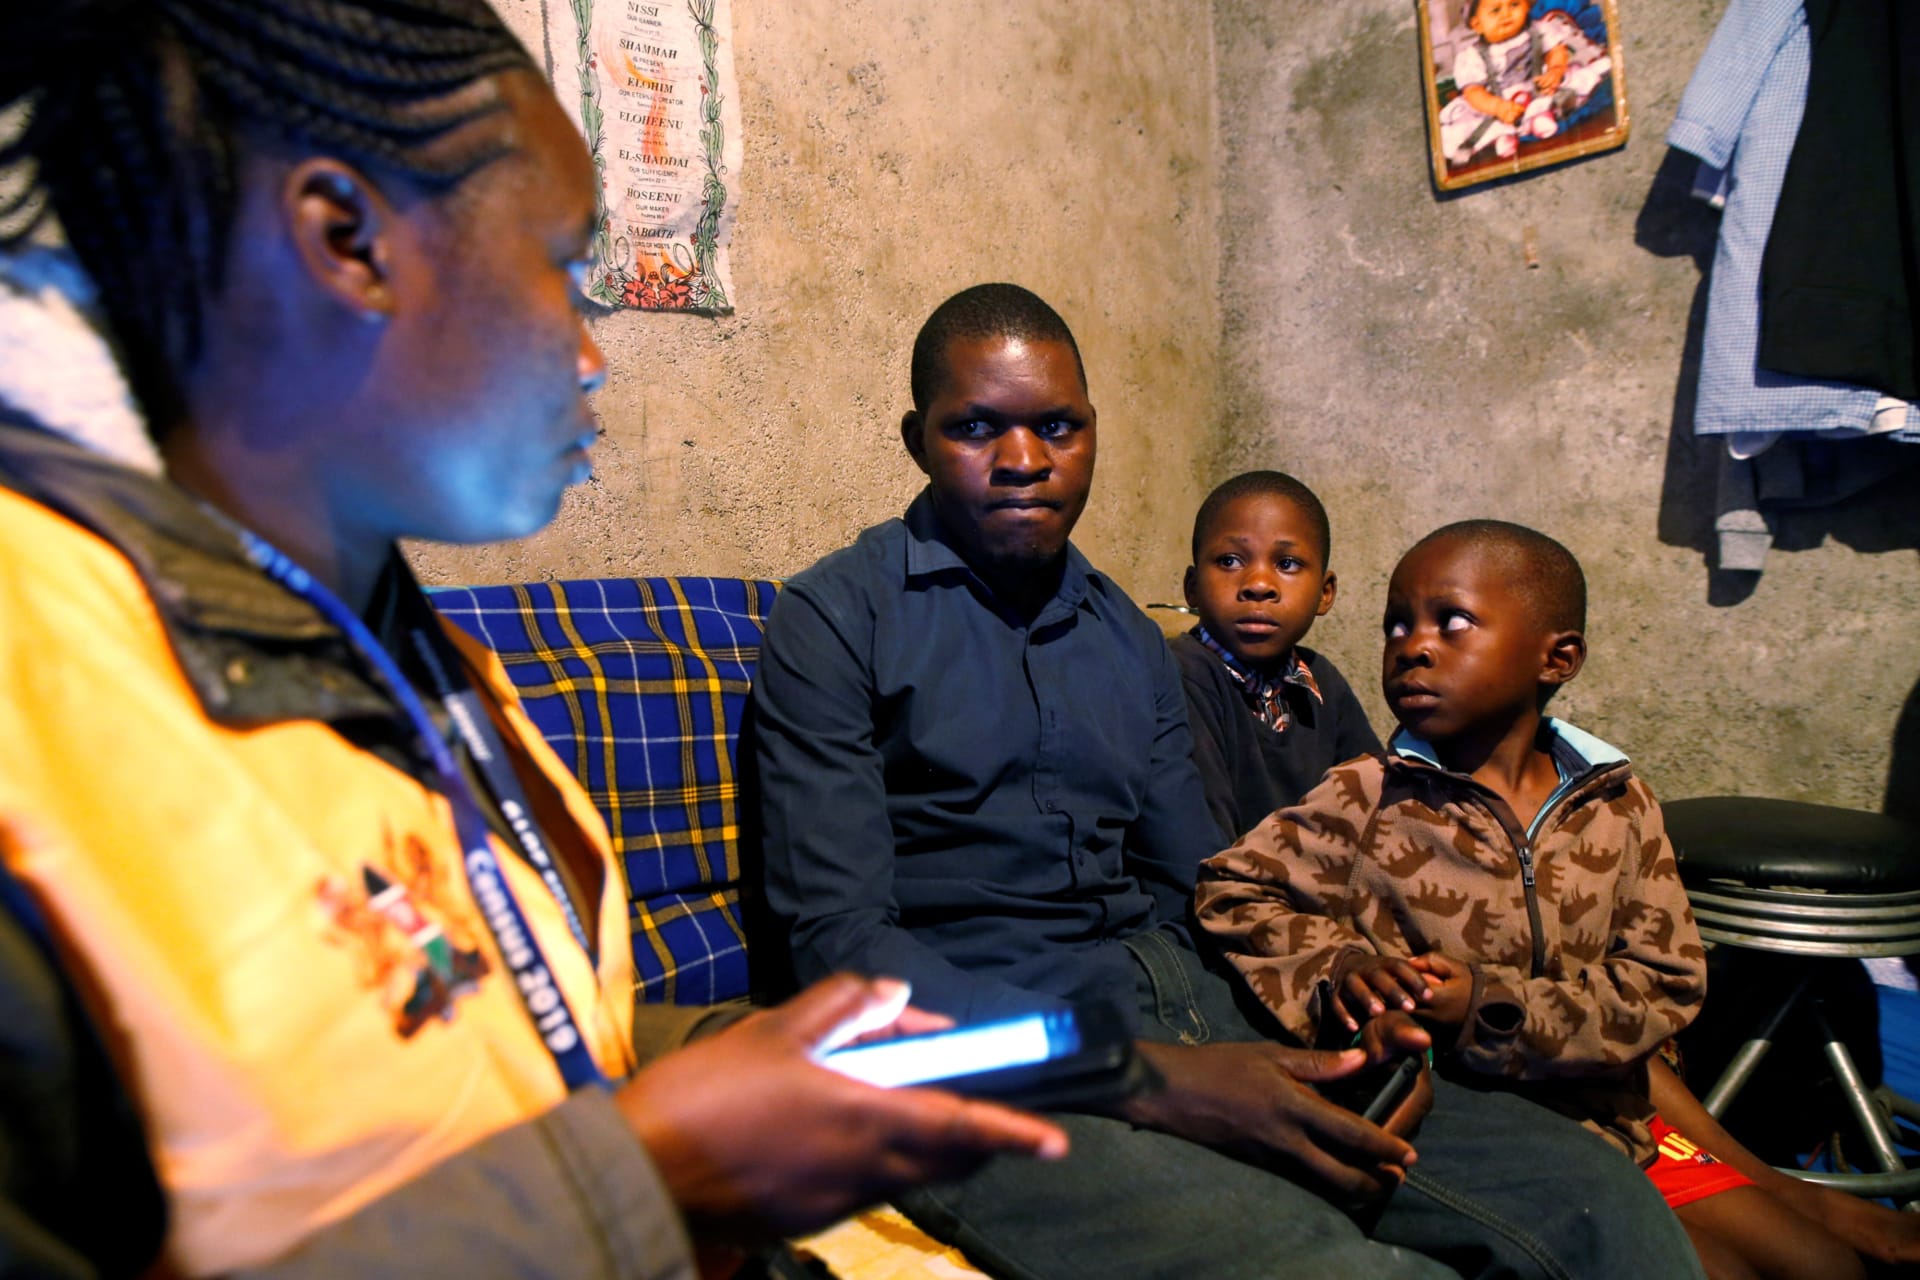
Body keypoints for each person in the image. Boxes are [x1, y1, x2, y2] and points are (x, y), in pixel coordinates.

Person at [0, 4, 1066, 1274]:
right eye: (563, 269)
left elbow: (492, 1047)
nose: (593, 355)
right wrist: (648, 1172)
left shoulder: (381, 635)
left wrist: (726, 1062)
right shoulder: (42, 689)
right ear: (345, 240)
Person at [751, 283, 1706, 1280]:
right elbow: (841, 955)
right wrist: (1158, 1079)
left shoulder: (1126, 634)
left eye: (1058, 426)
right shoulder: (835, 619)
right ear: (917, 439)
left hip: (1195, 1002)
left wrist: (1335, 987)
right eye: (976, 427)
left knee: (1597, 1205)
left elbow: (1202, 883)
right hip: (974, 1049)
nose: (1025, 459)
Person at [1194, 519, 1869, 1280]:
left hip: (1616, 1120)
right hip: (1467, 1125)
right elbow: (1234, 889)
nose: (1412, 645)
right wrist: (1344, 969)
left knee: (1822, 1266)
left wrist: (1491, 1007)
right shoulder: (1370, 796)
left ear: (1559, 658)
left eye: (1452, 622)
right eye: (1396, 625)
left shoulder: (1617, 803)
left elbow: (1665, 981)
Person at [1173, 469, 1381, 840]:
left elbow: (1376, 815)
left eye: (1286, 565)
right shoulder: (1182, 676)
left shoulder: (1322, 683)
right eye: (1230, 561)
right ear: (1192, 588)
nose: (1258, 585)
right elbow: (1202, 847)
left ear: (1325, 593)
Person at [1437, 0, 1612, 166]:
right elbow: (1473, 91)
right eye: (1495, 10)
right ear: (1477, 25)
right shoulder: (1472, 56)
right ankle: (1503, 137)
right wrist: (1498, 107)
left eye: (1514, 4)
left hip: (1535, 85)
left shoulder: (1538, 30)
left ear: (1527, 5)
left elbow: (1555, 51)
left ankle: (1541, 118)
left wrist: (1556, 70)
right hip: (1498, 102)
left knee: (1571, 80)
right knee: (1477, 122)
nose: (1506, 14)